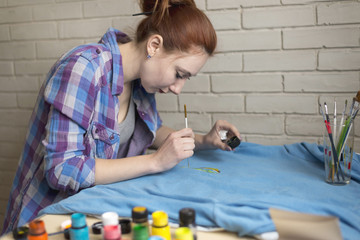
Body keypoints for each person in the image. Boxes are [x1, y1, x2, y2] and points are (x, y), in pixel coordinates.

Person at [1, 0, 241, 234]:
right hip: (49, 221)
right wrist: (155, 162)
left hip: (98, 213)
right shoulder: (83, 68)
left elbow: (151, 130)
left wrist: (204, 140)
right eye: (179, 74)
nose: (178, 88)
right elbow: (62, 169)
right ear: (154, 45)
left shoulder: (141, 83)